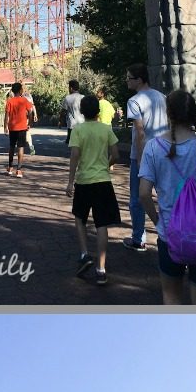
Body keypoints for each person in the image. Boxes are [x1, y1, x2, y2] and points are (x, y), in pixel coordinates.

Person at [138, 89, 196, 304]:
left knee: (171, 295)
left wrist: (158, 221)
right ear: (193, 114)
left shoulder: (153, 148)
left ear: (168, 114)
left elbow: (144, 193)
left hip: (169, 235)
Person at [66, 93, 120, 286]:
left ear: (82, 111)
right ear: (98, 111)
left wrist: (70, 182)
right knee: (101, 224)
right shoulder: (106, 130)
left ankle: (84, 254)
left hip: (84, 181)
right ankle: (101, 269)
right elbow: (116, 154)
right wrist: (106, 164)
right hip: (103, 181)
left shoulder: (78, 130)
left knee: (80, 218)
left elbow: (74, 156)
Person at [123, 64, 167, 252]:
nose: (127, 81)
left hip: (144, 154)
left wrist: (140, 159)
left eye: (129, 78)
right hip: (165, 152)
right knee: (166, 195)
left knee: (138, 197)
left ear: (139, 80)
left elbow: (140, 132)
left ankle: (138, 238)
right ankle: (171, 236)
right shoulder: (162, 97)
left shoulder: (134, 101)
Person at [5, 81, 35, 177]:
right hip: (22, 127)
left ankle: (10, 167)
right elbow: (30, 112)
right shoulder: (24, 100)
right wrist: (29, 123)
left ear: (13, 91)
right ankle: (19, 170)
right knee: (21, 147)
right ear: (21, 90)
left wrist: (5, 127)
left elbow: (7, 115)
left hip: (12, 127)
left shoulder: (9, 101)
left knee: (11, 146)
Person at [61, 78, 84, 145]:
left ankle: (73, 154)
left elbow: (63, 111)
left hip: (72, 124)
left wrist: (60, 121)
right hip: (82, 124)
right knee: (81, 143)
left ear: (71, 88)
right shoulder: (83, 97)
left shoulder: (67, 98)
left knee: (72, 143)